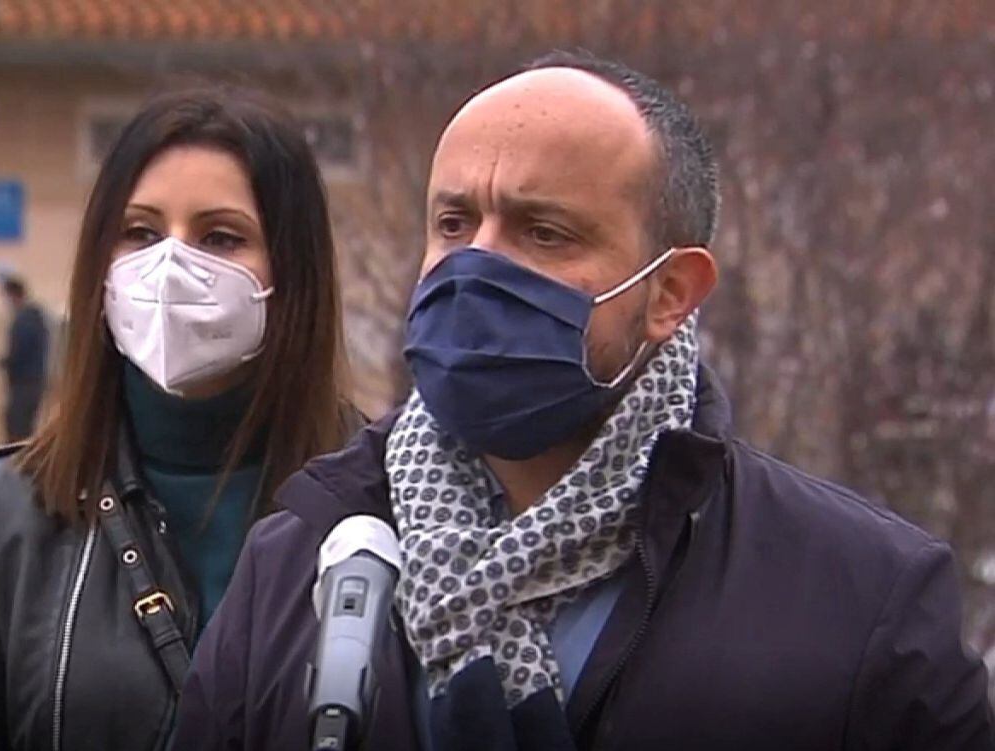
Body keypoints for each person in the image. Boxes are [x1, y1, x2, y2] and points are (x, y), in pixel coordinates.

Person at [173, 52, 994, 751]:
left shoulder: (858, 600)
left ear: (671, 290)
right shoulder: (300, 562)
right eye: (454, 223)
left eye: (544, 232)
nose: (475, 269)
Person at [0, 86, 357, 750]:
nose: (171, 265)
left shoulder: (376, 498)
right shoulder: (10, 505)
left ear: (290, 273)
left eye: (221, 236)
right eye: (141, 233)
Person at [0, 274, 50, 442]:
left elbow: (22, 349)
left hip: (25, 381)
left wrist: (6, 361)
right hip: (31, 380)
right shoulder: (34, 317)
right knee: (21, 424)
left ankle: (18, 463)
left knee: (17, 425)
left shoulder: (25, 319)